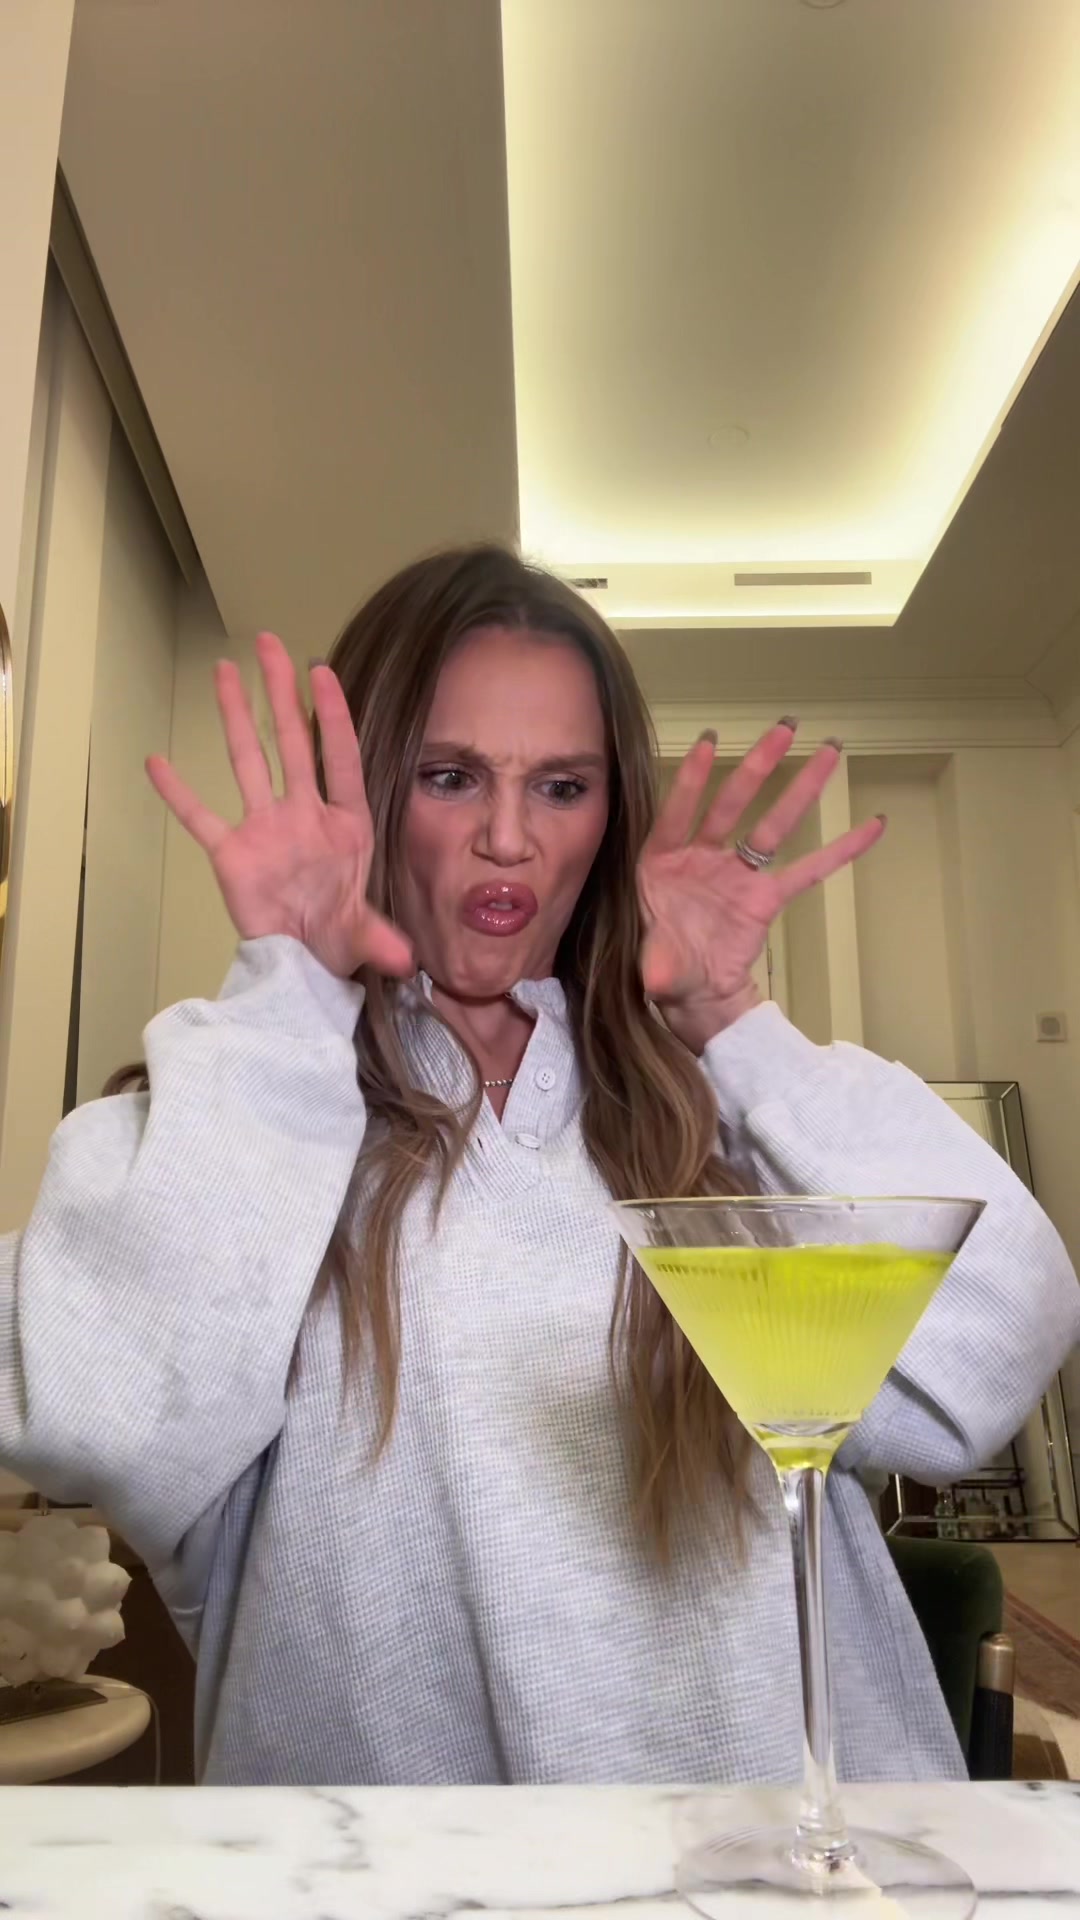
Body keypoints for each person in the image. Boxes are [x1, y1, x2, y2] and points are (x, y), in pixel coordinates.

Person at [1, 545, 1076, 1787]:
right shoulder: (230, 1121)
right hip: (401, 1867)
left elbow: (996, 1344)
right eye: (450, 776)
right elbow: (98, 1423)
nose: (509, 838)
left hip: (777, 1857)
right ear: (367, 791)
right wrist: (287, 989)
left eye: (562, 787)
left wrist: (733, 1024)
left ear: (609, 820)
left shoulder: (718, 1130)